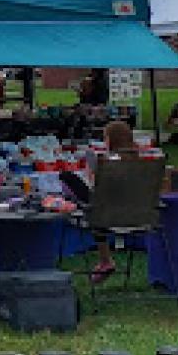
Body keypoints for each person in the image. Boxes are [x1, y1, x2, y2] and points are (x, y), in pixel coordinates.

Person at [61, 119, 142, 284]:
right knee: (95, 206)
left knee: (70, 180)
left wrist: (93, 175)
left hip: (111, 216)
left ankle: (105, 260)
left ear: (111, 140)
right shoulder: (144, 162)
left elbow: (105, 191)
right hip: (142, 215)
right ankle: (105, 260)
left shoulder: (112, 162)